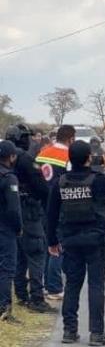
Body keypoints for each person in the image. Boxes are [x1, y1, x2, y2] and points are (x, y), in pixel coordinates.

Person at [46, 140, 105, 345]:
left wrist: (52, 241)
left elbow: (51, 214)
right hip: (95, 241)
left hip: (71, 242)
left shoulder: (60, 182)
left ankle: (69, 331)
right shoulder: (99, 180)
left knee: (73, 286)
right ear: (88, 159)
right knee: (95, 286)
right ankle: (96, 333)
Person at [5, 124, 54, 314]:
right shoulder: (25, 159)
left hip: (10, 214)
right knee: (36, 252)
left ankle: (21, 295)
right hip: (29, 212)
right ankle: (36, 298)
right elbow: (42, 187)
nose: (30, 140)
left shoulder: (5, 159)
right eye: (26, 137)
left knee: (18, 255)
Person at [37, 124, 75, 301]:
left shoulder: (43, 153)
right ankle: (54, 287)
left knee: (46, 243)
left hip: (40, 204)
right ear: (71, 138)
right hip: (60, 206)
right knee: (57, 247)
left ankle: (44, 284)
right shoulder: (68, 156)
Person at [0, 141, 22, 323]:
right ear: (11, 157)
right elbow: (14, 209)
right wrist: (18, 227)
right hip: (5, 229)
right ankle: (4, 309)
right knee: (7, 269)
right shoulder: (9, 178)